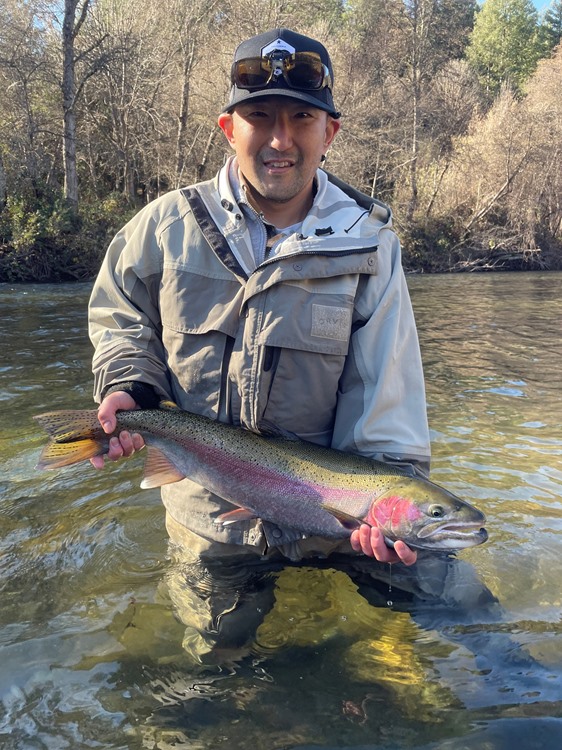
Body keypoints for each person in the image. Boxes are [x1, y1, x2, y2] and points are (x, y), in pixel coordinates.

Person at [88, 28, 431, 662]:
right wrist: (129, 386)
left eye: (302, 117)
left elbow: (387, 398)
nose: (281, 139)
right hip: (211, 517)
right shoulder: (164, 228)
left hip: (333, 519)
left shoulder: (370, 248)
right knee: (216, 672)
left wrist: (388, 506)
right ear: (228, 126)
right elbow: (120, 314)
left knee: (450, 621)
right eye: (260, 117)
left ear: (330, 132)